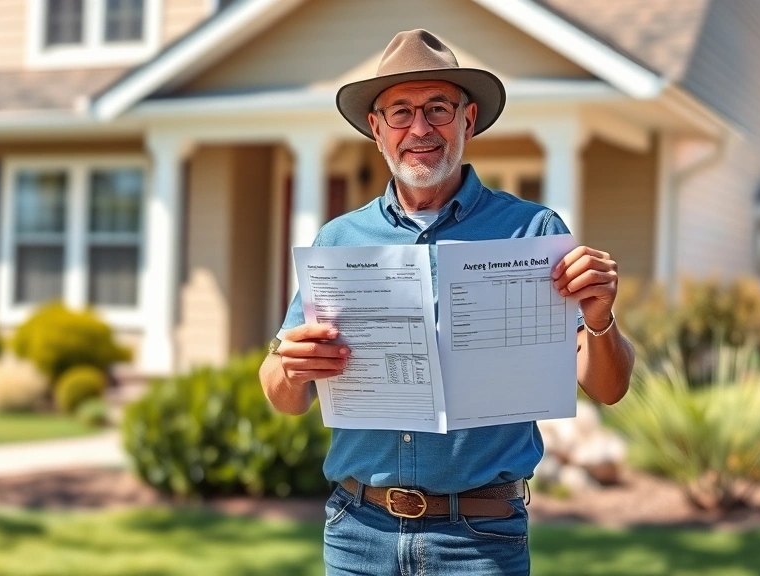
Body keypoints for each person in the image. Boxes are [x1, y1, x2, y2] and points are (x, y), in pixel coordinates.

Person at [258, 29, 635, 575]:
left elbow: (609, 387)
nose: (420, 128)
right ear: (376, 128)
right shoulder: (338, 241)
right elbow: (285, 394)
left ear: (468, 118)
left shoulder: (533, 231)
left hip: (481, 540)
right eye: (401, 112)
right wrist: (292, 372)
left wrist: (601, 321)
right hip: (357, 533)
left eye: (438, 108)